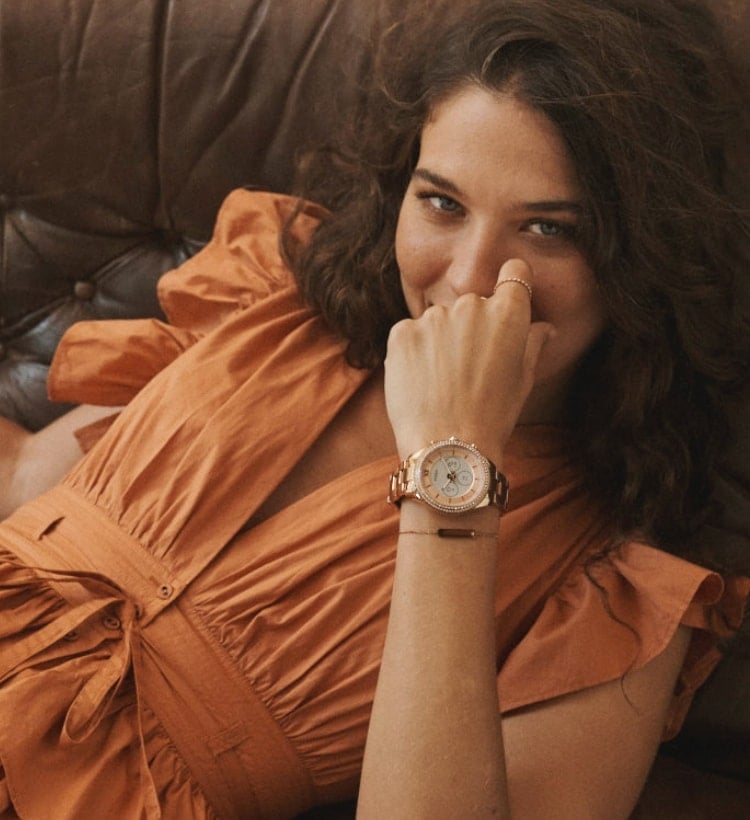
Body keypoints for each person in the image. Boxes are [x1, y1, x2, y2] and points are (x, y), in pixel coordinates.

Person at [0, 0, 748, 817]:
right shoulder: (282, 308)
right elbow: (31, 483)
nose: (467, 280)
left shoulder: (624, 581)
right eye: (442, 203)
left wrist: (453, 460)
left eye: (548, 229)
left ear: (644, 258)